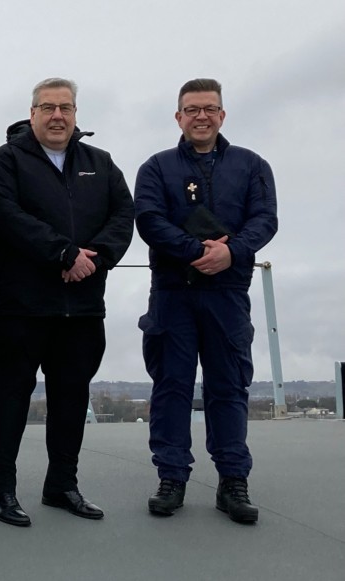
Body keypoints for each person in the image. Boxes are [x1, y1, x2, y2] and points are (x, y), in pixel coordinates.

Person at [0, 78, 134, 526]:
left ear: (75, 113)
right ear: (32, 114)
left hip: (82, 309)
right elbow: (6, 217)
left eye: (65, 107)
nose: (57, 116)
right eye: (47, 107)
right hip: (20, 309)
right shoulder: (6, 161)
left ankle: (62, 485)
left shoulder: (99, 164)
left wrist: (95, 258)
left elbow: (123, 216)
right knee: (9, 402)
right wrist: (62, 253)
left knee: (71, 401)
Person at [134, 78, 278, 524]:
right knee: (171, 388)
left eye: (209, 108)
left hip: (228, 295)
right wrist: (196, 252)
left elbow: (265, 219)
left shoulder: (252, 166)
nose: (201, 116)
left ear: (222, 115)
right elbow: (149, 219)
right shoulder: (156, 168)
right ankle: (172, 477)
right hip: (174, 294)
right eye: (192, 109)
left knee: (229, 388)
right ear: (178, 117)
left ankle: (233, 481)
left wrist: (231, 251)